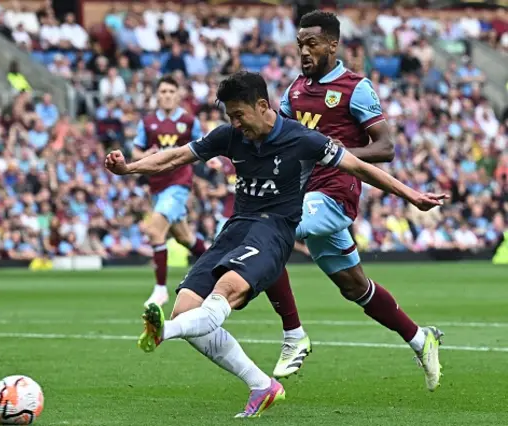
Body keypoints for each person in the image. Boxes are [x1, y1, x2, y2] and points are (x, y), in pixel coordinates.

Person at [105, 71, 446, 417]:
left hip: (275, 230)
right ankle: (261, 385)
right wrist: (130, 168)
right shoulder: (230, 136)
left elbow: (360, 168)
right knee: (185, 308)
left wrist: (412, 195)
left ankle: (169, 332)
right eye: (230, 117)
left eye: (239, 115)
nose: (235, 124)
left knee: (226, 290)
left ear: (263, 106)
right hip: (235, 228)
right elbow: (177, 156)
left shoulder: (302, 139)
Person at [272, 10, 444, 391]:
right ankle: (421, 339)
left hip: (335, 195)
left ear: (333, 45)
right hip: (303, 193)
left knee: (270, 231)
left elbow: (384, 146)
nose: (304, 51)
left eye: (312, 43)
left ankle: (293, 335)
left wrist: (334, 153)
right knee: (354, 286)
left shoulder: (355, 87)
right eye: (300, 44)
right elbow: (279, 138)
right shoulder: (294, 90)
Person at [132, 76, 208, 307]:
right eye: (162, 91)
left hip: (179, 184)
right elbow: (135, 152)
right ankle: (216, 266)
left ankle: (160, 289)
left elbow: (204, 146)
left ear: (177, 95)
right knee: (185, 238)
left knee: (155, 230)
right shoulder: (147, 123)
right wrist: (147, 155)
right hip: (157, 187)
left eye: (170, 91)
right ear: (157, 95)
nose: (166, 95)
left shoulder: (188, 121)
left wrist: (211, 161)